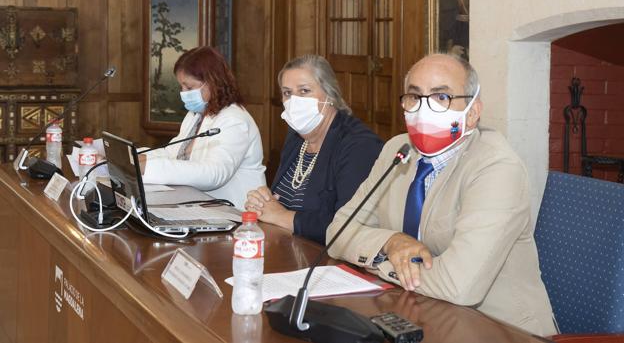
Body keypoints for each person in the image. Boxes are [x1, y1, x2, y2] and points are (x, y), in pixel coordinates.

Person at [326, 54, 557, 336]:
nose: (424, 108)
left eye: (441, 97)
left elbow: (458, 286)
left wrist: (381, 263)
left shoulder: (497, 167)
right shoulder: (398, 150)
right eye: (415, 97)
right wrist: (391, 242)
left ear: (472, 113)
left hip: (500, 328)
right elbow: (338, 232)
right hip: (419, 314)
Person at [244, 55, 383, 245]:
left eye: (304, 91)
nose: (294, 101)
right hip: (286, 247)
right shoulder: (296, 137)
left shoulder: (360, 145)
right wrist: (262, 202)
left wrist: (281, 216)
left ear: (330, 94)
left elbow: (349, 226)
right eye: (287, 93)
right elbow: (279, 202)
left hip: (327, 261)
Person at [140, 46, 266, 210]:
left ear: (213, 83)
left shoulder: (235, 120)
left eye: (189, 88)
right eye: (181, 87)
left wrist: (148, 167)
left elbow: (214, 174)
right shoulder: (196, 115)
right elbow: (172, 152)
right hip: (202, 208)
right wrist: (135, 157)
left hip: (237, 215)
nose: (183, 93)